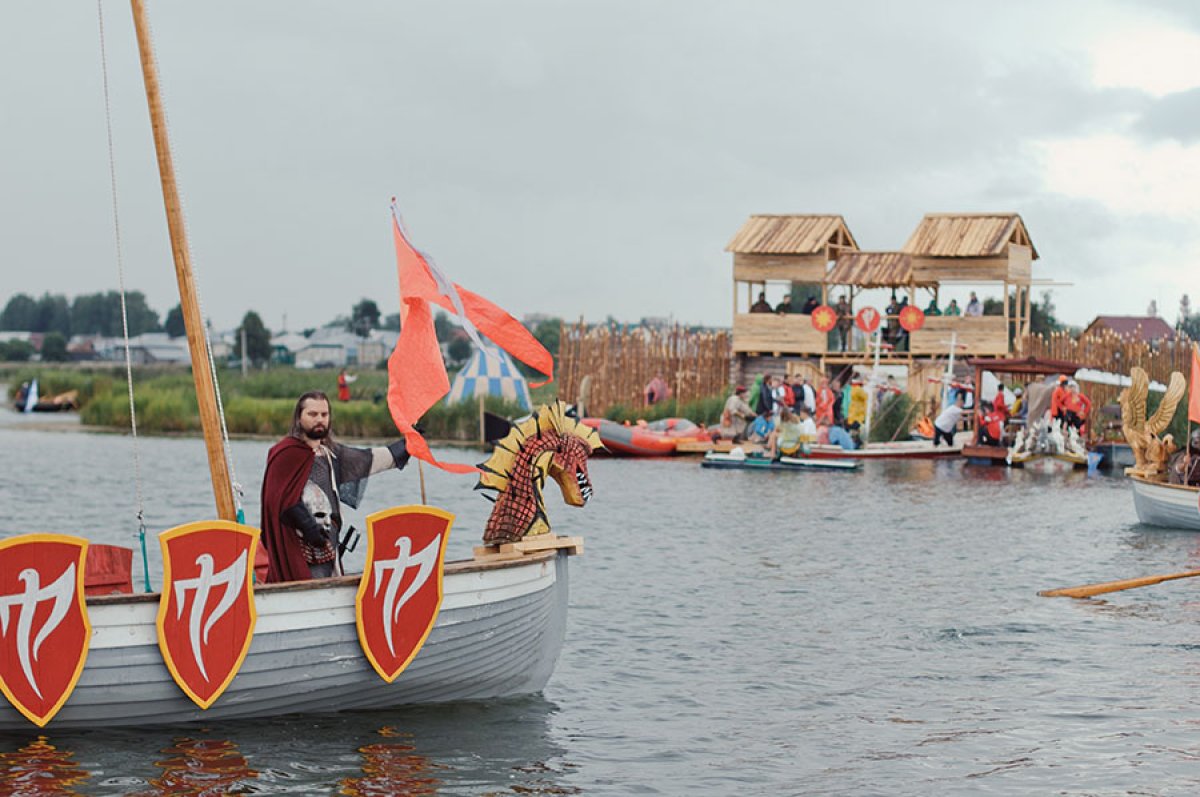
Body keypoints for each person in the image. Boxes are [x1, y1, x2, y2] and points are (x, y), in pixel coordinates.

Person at [261, 391, 410, 582]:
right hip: (296, 547)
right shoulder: (285, 453)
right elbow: (278, 501)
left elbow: (368, 459)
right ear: (299, 417)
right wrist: (309, 528)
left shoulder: (330, 454)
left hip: (328, 545)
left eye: (324, 415)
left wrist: (407, 446)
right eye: (313, 414)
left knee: (328, 583)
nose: (320, 420)